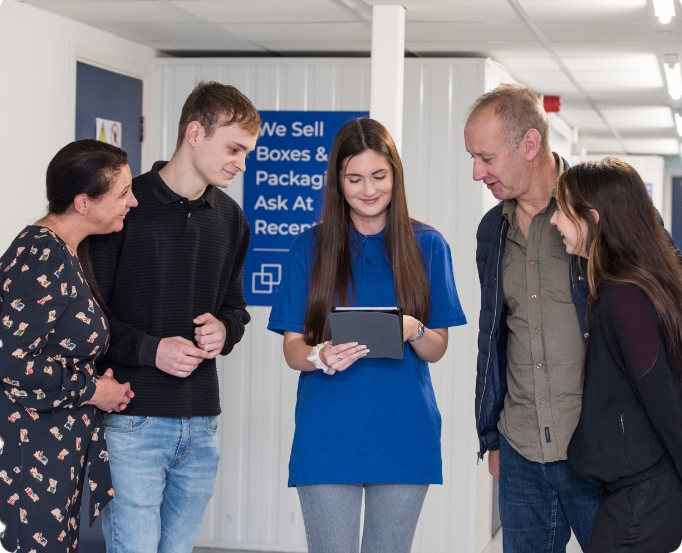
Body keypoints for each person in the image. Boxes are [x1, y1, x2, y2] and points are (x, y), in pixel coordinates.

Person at [267, 117, 467, 553]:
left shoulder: (429, 246)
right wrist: (320, 356)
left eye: (379, 176)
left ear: (395, 174)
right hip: (327, 434)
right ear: (337, 182)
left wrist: (413, 330)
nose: (368, 189)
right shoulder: (309, 247)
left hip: (404, 433)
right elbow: (291, 349)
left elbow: (437, 349)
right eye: (354, 178)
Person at [87, 81, 260, 553]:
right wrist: (152, 349)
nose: (241, 163)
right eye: (234, 148)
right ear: (195, 132)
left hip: (202, 423)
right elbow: (90, 323)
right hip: (133, 420)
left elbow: (236, 310)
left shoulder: (231, 219)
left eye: (247, 152)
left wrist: (225, 329)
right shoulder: (124, 208)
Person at [465, 83, 603, 552]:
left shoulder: (596, 210)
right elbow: (493, 334)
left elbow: (661, 292)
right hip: (520, 449)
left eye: (486, 157)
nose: (476, 172)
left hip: (596, 447)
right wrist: (491, 433)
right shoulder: (491, 230)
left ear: (529, 144)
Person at [0, 139, 136, 552]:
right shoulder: (41, 256)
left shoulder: (67, 252)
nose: (132, 202)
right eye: (122, 193)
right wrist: (94, 390)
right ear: (82, 202)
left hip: (55, 445)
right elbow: (11, 362)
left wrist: (97, 384)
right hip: (30, 448)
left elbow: (52, 347)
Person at [550, 157, 682, 552]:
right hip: (636, 493)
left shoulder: (625, 297)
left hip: (643, 499)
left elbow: (666, 401)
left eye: (562, 210)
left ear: (592, 218)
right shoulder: (630, 288)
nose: (554, 221)